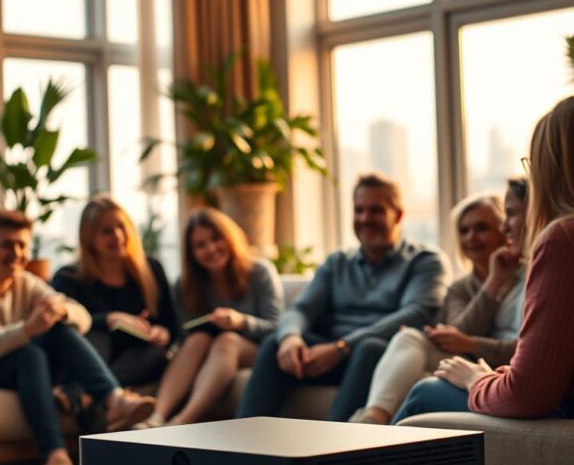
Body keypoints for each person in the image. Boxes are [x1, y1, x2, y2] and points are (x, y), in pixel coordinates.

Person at [393, 96, 574, 422]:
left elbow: (527, 394)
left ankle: (356, 458)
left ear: (550, 171)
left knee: (423, 394)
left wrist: (474, 378)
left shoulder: (562, 239)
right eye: (464, 230)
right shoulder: (465, 286)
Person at [236, 172, 451, 422]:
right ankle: (242, 453)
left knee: (369, 347)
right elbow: (301, 308)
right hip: (329, 356)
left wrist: (342, 346)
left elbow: (416, 314)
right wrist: (290, 337)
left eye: (376, 211)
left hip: (376, 358)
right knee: (276, 342)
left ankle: (333, 451)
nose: (365, 219)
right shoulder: (338, 262)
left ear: (399, 215)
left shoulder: (426, 261)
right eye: (359, 210)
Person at [0, 210, 156, 465]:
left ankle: (114, 399)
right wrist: (26, 329)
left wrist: (61, 312)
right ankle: (54, 453)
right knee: (29, 354)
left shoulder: (26, 283)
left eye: (22, 245)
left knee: (56, 327)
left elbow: (82, 315)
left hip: (26, 368)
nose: (17, 253)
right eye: (7, 245)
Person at [350, 182, 527, 425]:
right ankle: (373, 419)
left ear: (503, 229)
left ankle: (368, 429)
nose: (471, 238)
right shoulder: (460, 287)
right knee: (408, 338)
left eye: (482, 228)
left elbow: (465, 338)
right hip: (470, 362)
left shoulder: (529, 278)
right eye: (464, 231)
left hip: (498, 369)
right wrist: (493, 283)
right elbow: (459, 332)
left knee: (406, 368)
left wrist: (470, 343)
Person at [140, 207, 284, 427]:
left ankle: (181, 421)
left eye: (216, 239)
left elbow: (277, 328)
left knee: (227, 340)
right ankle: (155, 418)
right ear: (192, 254)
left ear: (229, 238)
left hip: (259, 350)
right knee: (198, 339)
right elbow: (184, 333)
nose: (211, 249)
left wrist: (241, 321)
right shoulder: (186, 286)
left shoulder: (260, 272)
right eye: (200, 245)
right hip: (209, 350)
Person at [52, 196, 179, 388]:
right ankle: (98, 392)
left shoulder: (152, 269)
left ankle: (89, 392)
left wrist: (163, 333)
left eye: (122, 227)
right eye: (106, 231)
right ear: (89, 238)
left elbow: (171, 324)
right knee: (97, 337)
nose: (118, 236)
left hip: (137, 358)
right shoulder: (68, 278)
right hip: (94, 353)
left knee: (157, 353)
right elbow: (62, 323)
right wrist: (110, 319)